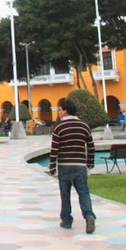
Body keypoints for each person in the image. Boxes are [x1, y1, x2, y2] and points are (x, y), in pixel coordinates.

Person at [48, 99, 96, 234]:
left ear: (65, 111)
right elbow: (91, 147)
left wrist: (52, 166)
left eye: (60, 109)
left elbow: (54, 149)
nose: (59, 112)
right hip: (80, 165)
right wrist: (90, 162)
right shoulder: (84, 126)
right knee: (83, 192)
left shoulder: (59, 127)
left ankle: (67, 220)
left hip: (64, 165)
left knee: (65, 194)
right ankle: (89, 216)